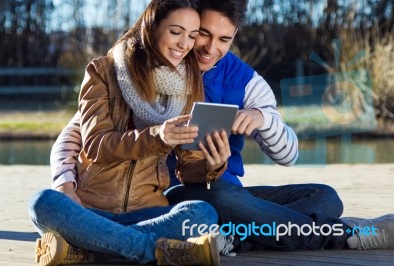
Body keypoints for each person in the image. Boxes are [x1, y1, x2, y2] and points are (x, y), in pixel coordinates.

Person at [49, 0, 394, 254]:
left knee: (324, 197)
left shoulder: (241, 81)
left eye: (224, 39)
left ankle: (235, 236)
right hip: (171, 193)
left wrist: (262, 121)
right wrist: (65, 181)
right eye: (203, 35)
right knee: (219, 199)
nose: (209, 48)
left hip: (219, 186)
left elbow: (288, 154)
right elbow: (79, 134)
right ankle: (342, 234)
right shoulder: (142, 70)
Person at [28, 1, 232, 265]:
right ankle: (155, 250)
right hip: (89, 210)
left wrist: (213, 164)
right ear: (152, 27)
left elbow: (187, 169)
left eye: (192, 36)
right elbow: (96, 146)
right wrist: (158, 137)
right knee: (42, 202)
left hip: (147, 213)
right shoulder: (103, 72)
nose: (184, 44)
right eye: (176, 32)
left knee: (203, 213)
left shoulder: (190, 85)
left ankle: (88, 249)